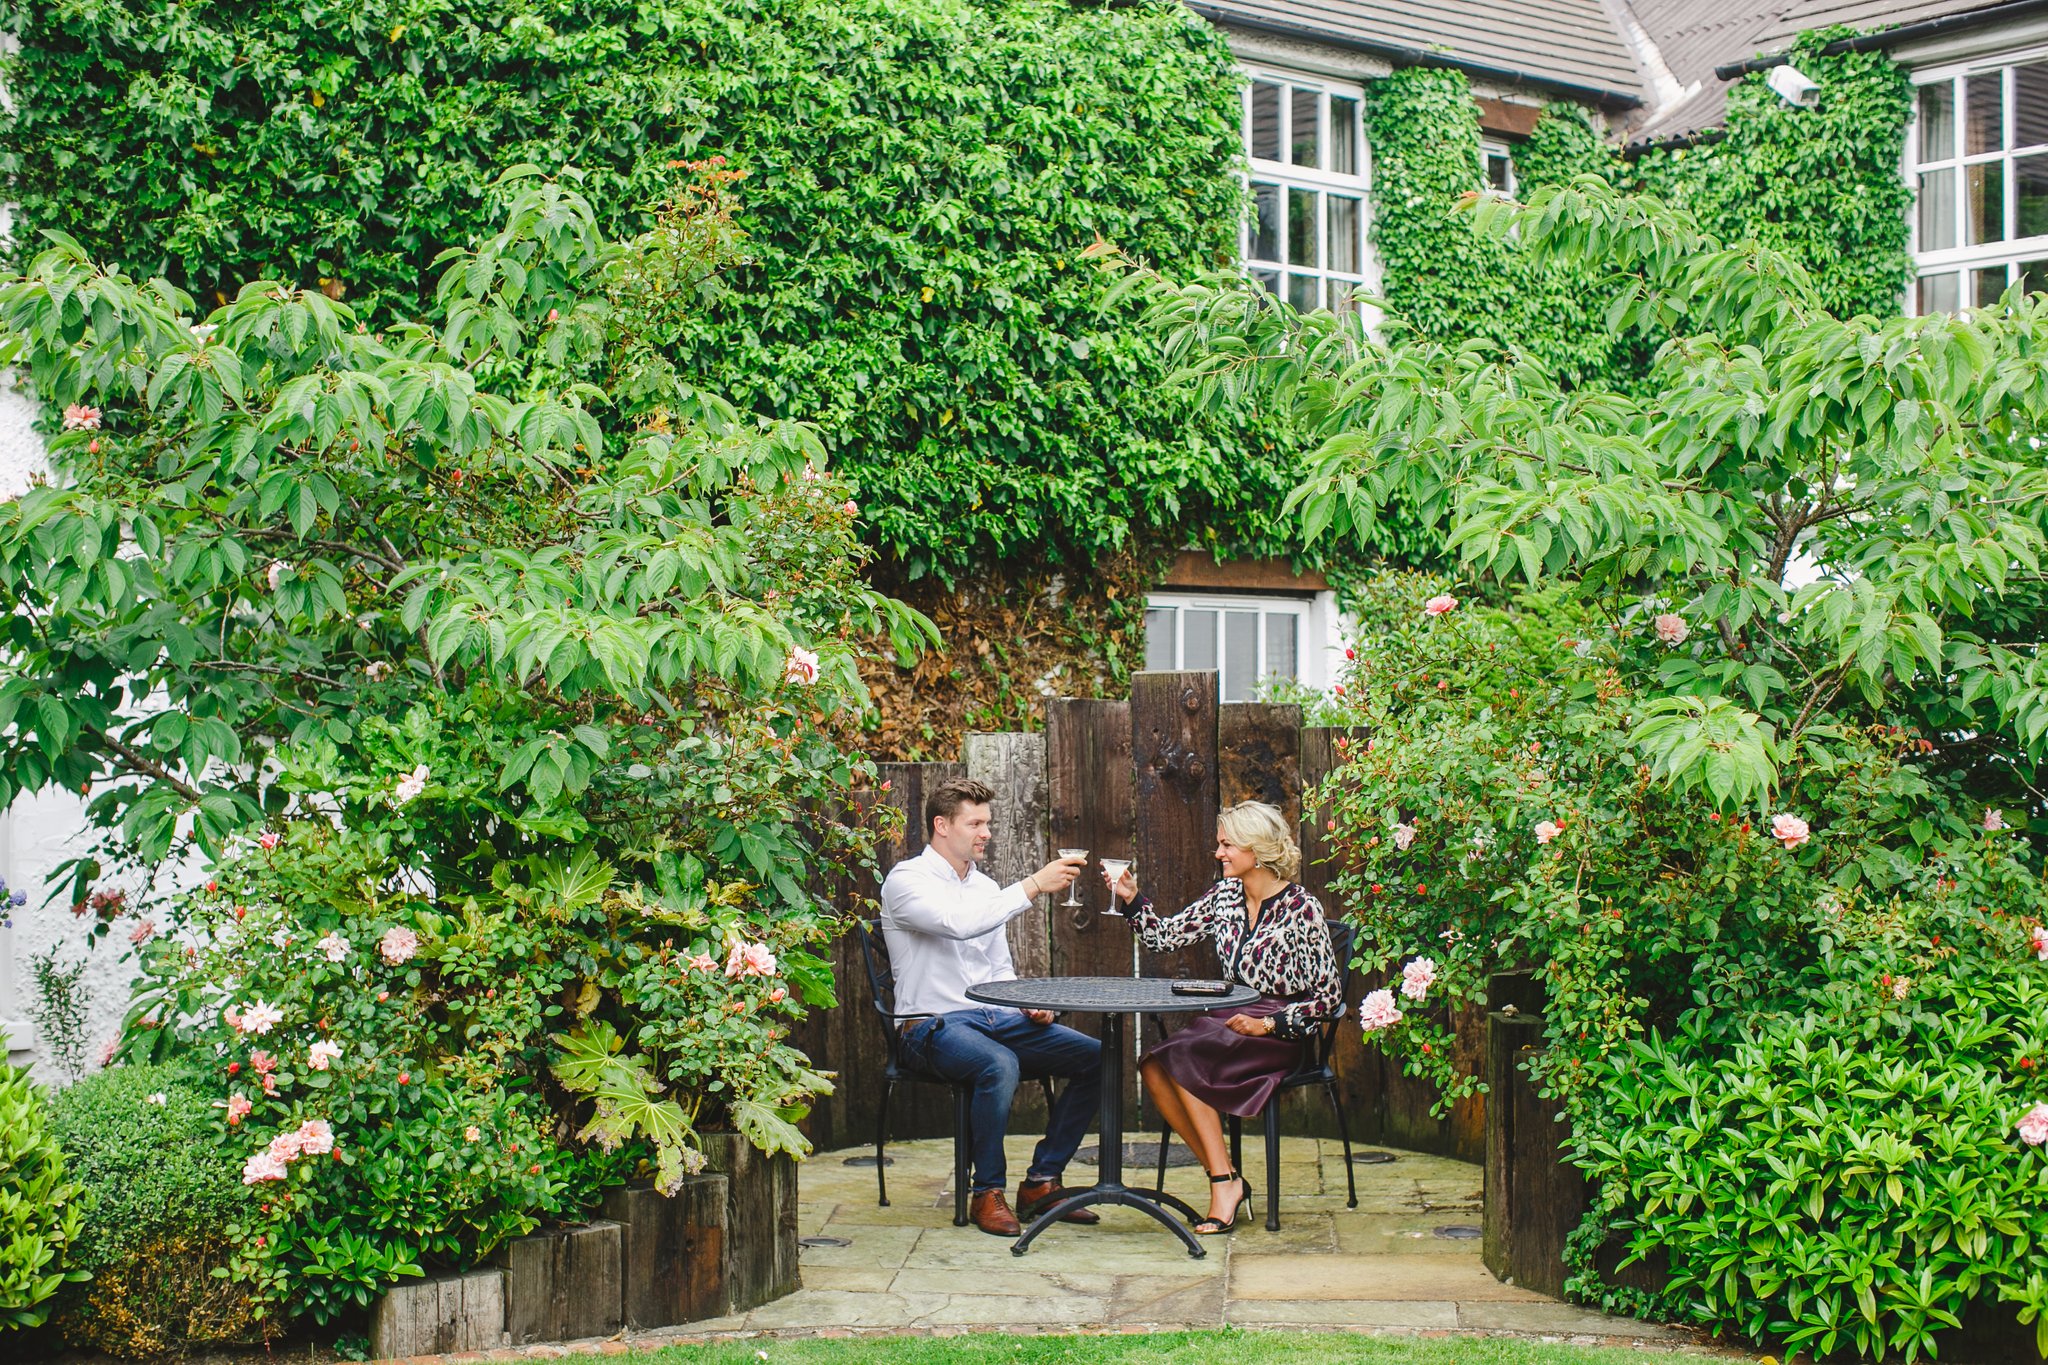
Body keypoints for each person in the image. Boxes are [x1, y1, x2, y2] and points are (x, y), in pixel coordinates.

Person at [879, 776, 1104, 1237]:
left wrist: (1025, 1006)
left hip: (993, 1020)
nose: (986, 833)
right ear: (942, 825)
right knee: (998, 1064)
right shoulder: (906, 881)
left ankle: (1042, 1182)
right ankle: (988, 1192)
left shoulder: (986, 889)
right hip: (928, 1027)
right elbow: (956, 925)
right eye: (975, 823)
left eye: (988, 823)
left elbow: (997, 971)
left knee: (1098, 1057)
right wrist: (1034, 886)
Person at [1106, 799, 1342, 1234]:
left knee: (1182, 1059)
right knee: (1154, 1066)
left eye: (1227, 845)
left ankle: (1221, 1184)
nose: (1219, 853)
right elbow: (1163, 938)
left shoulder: (1301, 909)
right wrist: (1132, 899)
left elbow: (1328, 998)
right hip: (1228, 1021)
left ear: (1257, 849)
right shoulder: (1225, 896)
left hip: (1277, 1031)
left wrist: (1268, 1024)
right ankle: (1227, 1175)